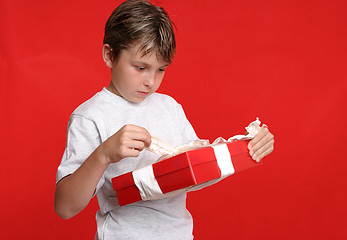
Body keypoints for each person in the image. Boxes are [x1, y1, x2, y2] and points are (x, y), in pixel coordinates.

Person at [54, 0, 275, 239]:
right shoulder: (90, 116)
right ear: (109, 55)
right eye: (140, 68)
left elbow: (199, 169)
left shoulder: (169, 107)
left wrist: (249, 145)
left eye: (161, 69)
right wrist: (103, 154)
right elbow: (65, 207)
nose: (151, 81)